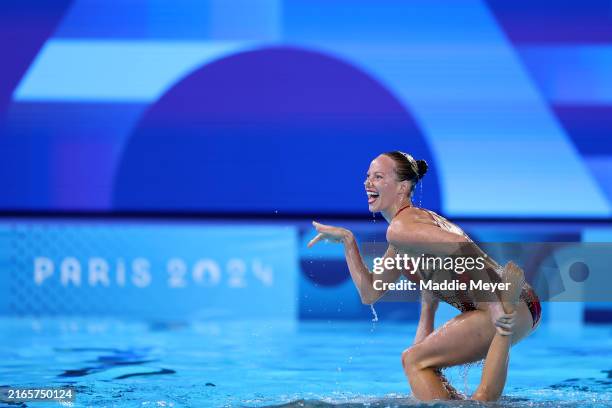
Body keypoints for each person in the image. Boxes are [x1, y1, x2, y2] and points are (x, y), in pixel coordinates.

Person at [307, 151, 541, 401]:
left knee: (415, 361)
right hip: (521, 301)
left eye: (378, 177)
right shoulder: (410, 228)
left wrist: (497, 307)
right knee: (420, 362)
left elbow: (462, 245)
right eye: (367, 177)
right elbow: (370, 292)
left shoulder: (400, 229)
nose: (367, 183)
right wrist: (347, 240)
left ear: (402, 187)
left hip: (506, 300)